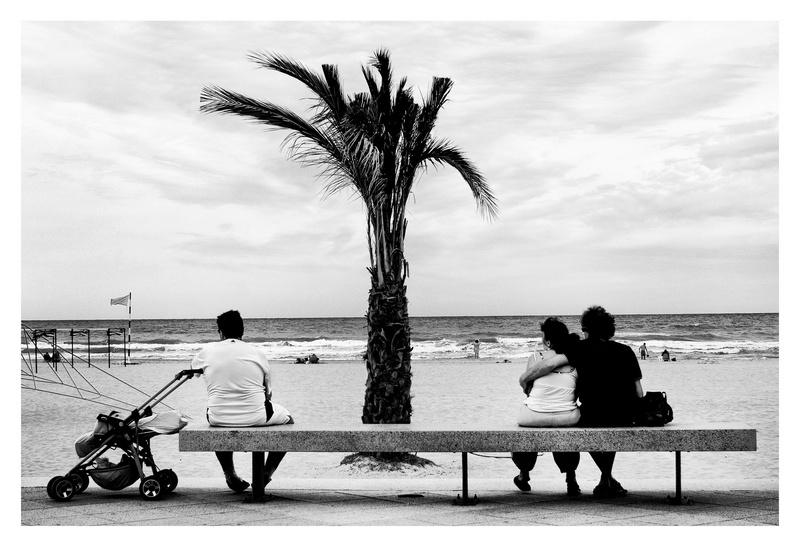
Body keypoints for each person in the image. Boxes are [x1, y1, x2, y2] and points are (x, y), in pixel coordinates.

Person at [519, 306, 643, 498]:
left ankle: (606, 476)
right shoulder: (626, 351)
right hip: (625, 416)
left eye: (584, 329)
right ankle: (606, 479)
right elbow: (639, 392)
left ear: (587, 330)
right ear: (609, 329)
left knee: (587, 419)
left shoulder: (580, 349)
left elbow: (550, 364)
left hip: (592, 415)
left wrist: (524, 378)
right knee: (611, 417)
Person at [192, 310, 294, 493]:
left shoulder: (207, 351)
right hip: (256, 417)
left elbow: (194, 371)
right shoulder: (257, 353)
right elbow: (268, 394)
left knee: (220, 421)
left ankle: (230, 474)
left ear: (220, 332)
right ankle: (266, 472)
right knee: (289, 421)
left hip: (217, 417)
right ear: (242, 331)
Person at [512, 318, 581, 496]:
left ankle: (524, 474)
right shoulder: (574, 360)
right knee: (564, 427)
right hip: (567, 417)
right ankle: (571, 477)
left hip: (532, 417)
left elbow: (528, 391)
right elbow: (575, 394)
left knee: (527, 426)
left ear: (548, 342)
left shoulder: (535, 358)